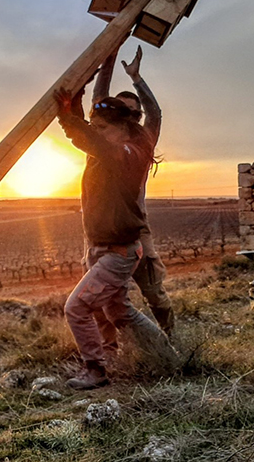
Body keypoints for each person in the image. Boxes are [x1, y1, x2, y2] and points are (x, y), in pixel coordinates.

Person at [54, 84, 178, 390]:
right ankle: (169, 357)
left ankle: (95, 369)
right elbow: (90, 136)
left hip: (119, 252)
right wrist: (76, 105)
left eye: (102, 128)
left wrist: (67, 117)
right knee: (119, 311)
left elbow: (90, 138)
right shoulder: (106, 153)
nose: (97, 133)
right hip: (101, 247)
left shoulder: (128, 154)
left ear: (123, 127)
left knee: (77, 307)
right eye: (95, 127)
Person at [89, 47, 175, 354]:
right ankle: (110, 349)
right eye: (121, 111)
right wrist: (108, 54)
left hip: (137, 233)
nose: (128, 117)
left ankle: (170, 338)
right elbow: (98, 95)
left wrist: (137, 78)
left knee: (153, 291)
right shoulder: (98, 143)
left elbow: (156, 114)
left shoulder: (142, 145)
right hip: (103, 233)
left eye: (133, 113)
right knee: (97, 296)